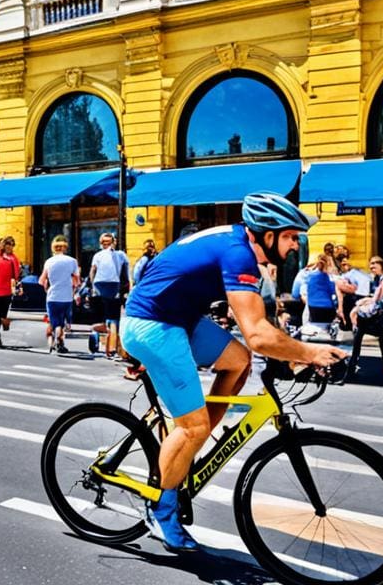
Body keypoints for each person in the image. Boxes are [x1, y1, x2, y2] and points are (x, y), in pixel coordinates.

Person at [120, 192, 348, 553]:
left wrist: (290, 357)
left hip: (178, 319)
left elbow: (259, 324)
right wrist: (310, 352)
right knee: (191, 427)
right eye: (290, 237)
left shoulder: (240, 245)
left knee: (237, 360)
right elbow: (257, 332)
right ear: (267, 234)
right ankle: (161, 509)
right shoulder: (238, 252)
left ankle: (190, 440)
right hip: (153, 325)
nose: (294, 246)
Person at [349, 256, 383, 375]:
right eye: (370, 264)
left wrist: (356, 309)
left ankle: (353, 362)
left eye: (374, 264)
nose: (371, 267)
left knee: (358, 331)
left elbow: (376, 302)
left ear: (381, 265)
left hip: (382, 318)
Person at [89, 233, 130, 358]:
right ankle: (112, 349)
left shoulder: (98, 255)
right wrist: (129, 288)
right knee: (114, 319)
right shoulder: (121, 255)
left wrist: (93, 287)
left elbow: (92, 271)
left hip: (100, 285)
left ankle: (106, 343)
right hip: (113, 285)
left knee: (107, 317)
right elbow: (127, 273)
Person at [38, 235, 81, 354]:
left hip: (52, 296)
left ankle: (54, 341)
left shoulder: (49, 262)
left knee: (55, 321)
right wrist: (74, 291)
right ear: (65, 248)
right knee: (62, 322)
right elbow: (77, 280)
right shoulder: (72, 261)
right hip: (66, 296)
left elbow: (42, 281)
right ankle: (60, 341)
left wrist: (48, 288)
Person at [336, 258, 372, 334]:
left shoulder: (352, 273)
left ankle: (349, 326)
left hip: (358, 296)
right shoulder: (352, 274)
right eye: (343, 264)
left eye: (345, 264)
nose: (344, 266)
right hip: (360, 295)